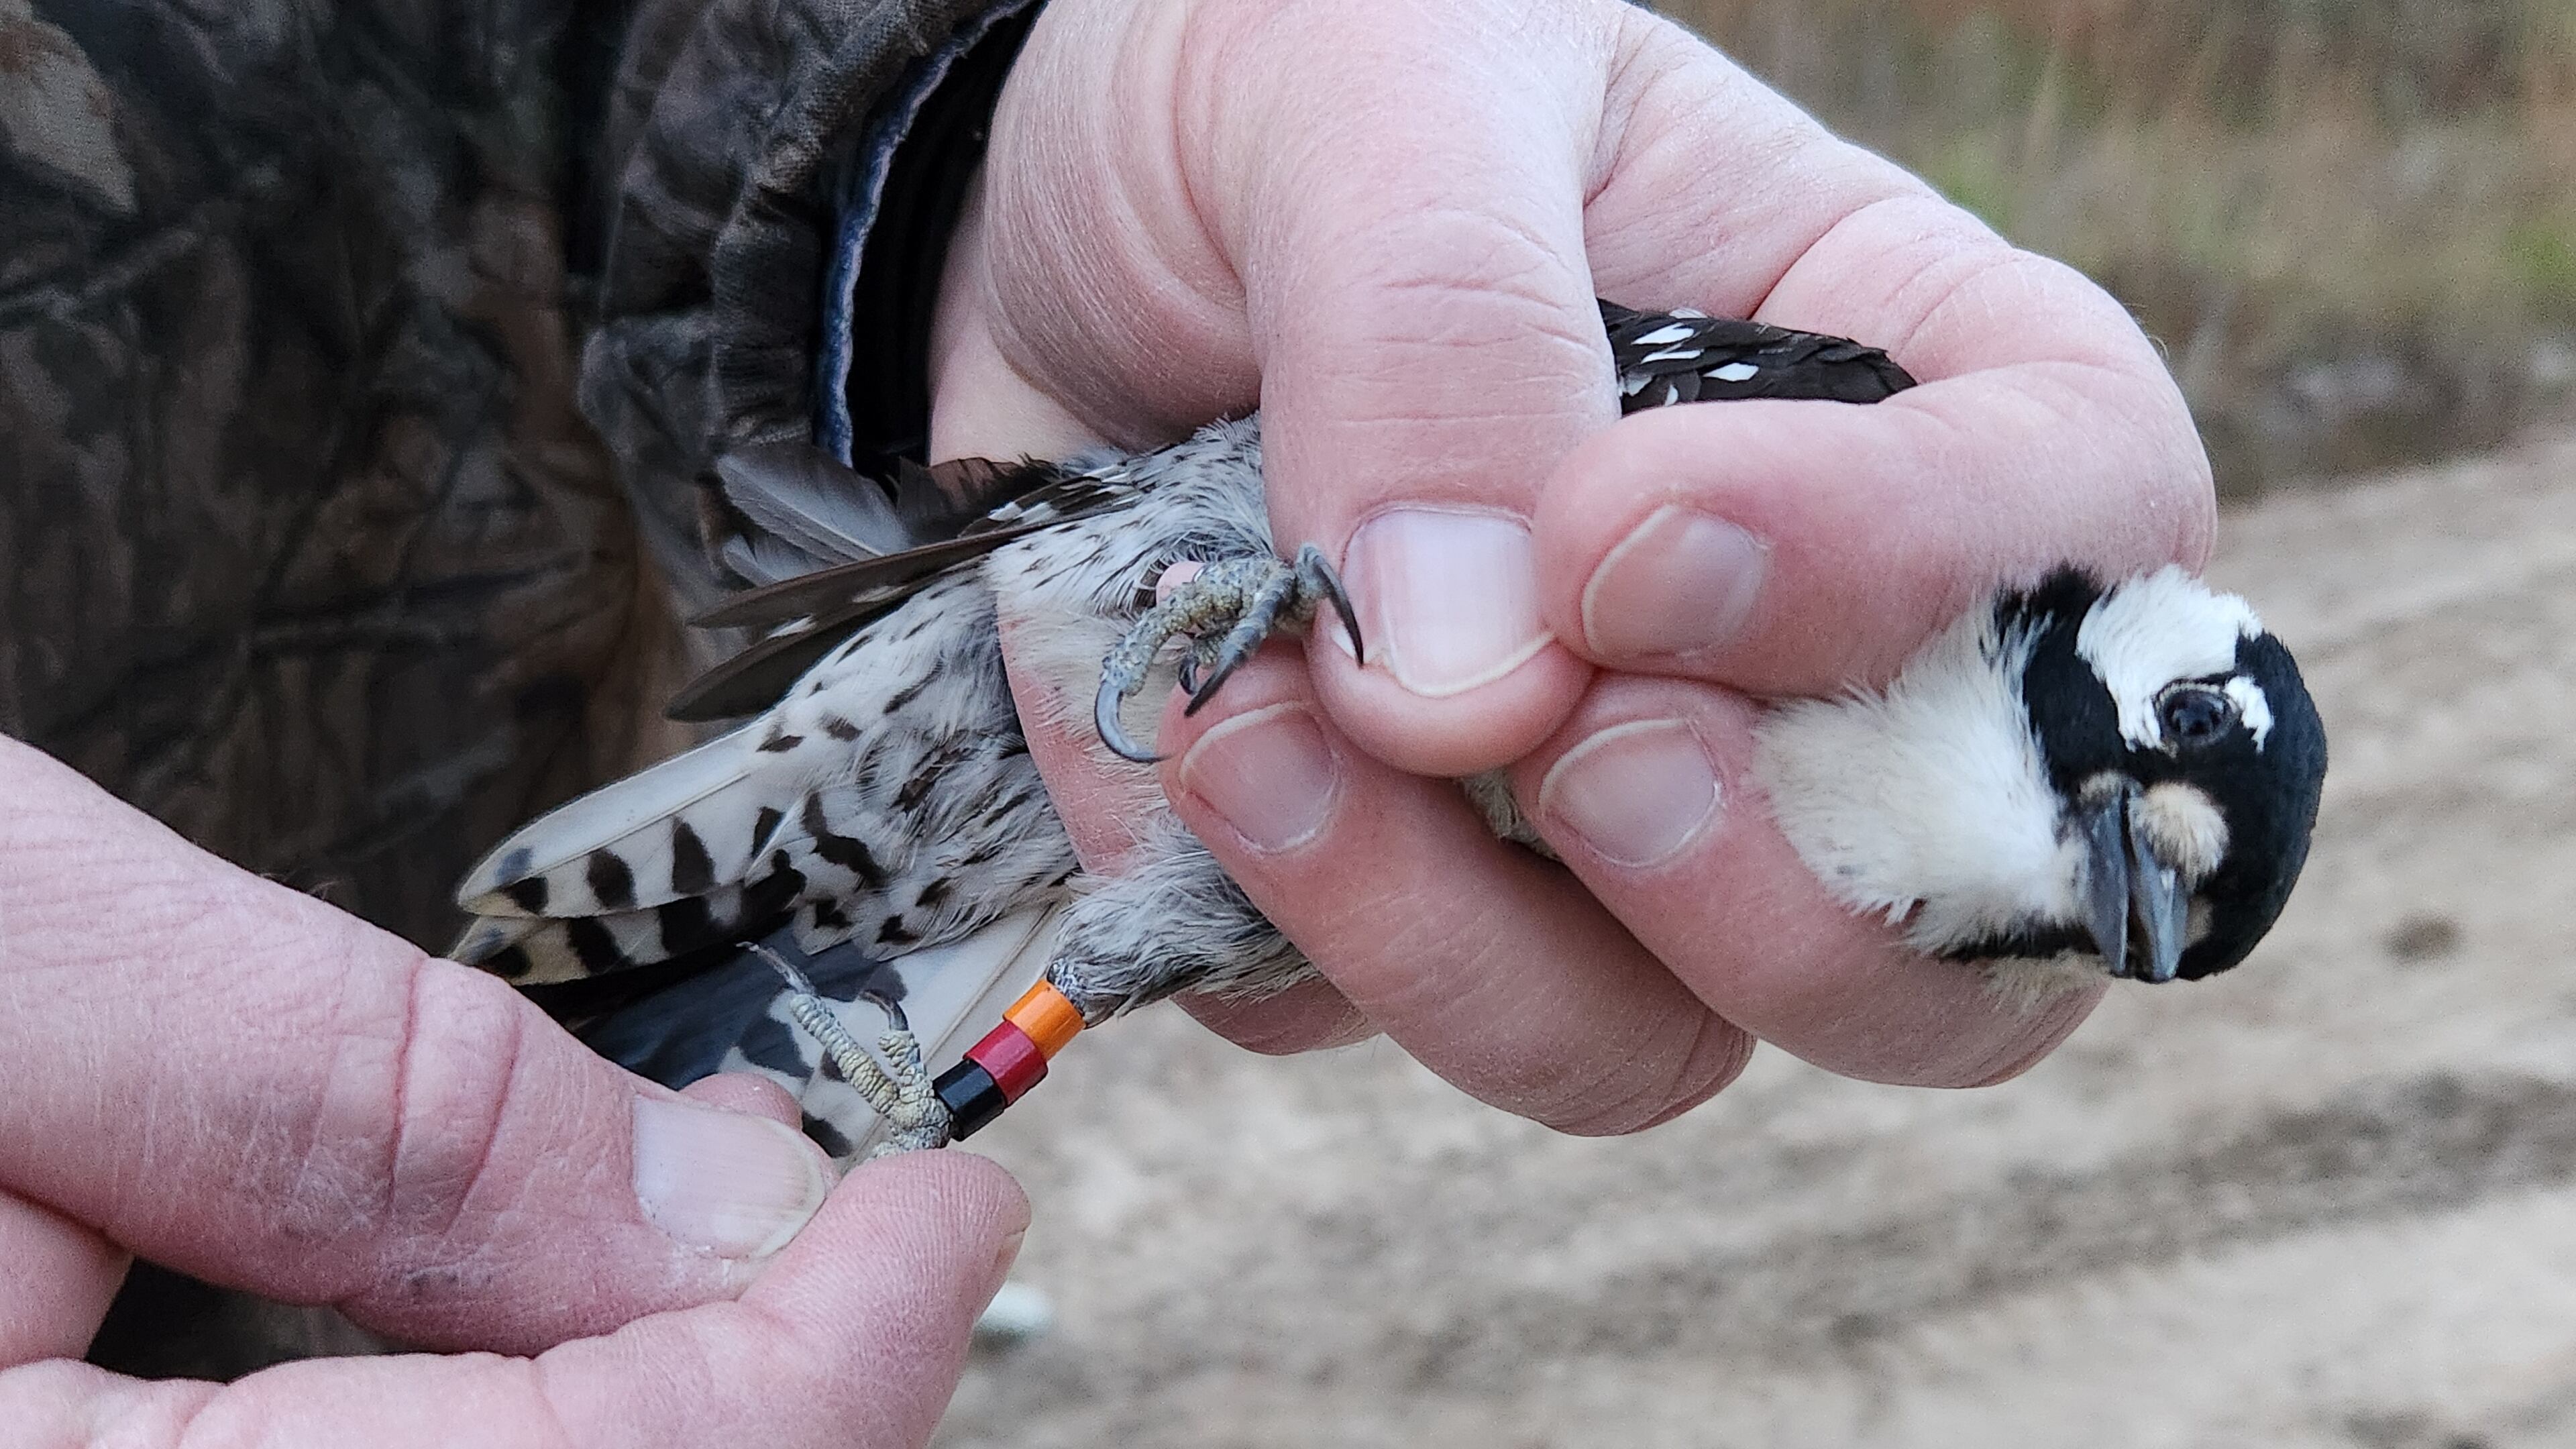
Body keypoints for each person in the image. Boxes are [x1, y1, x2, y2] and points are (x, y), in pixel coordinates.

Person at [0, 0, 2212, 1439]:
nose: (2104, 870)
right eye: (2146, 811)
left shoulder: (1876, 703)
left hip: (485, 1170)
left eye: (2128, 914)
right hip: (360, 1159)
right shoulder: (1852, 461)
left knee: (1066, 960)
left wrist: (989, 124)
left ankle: (885, 1092)